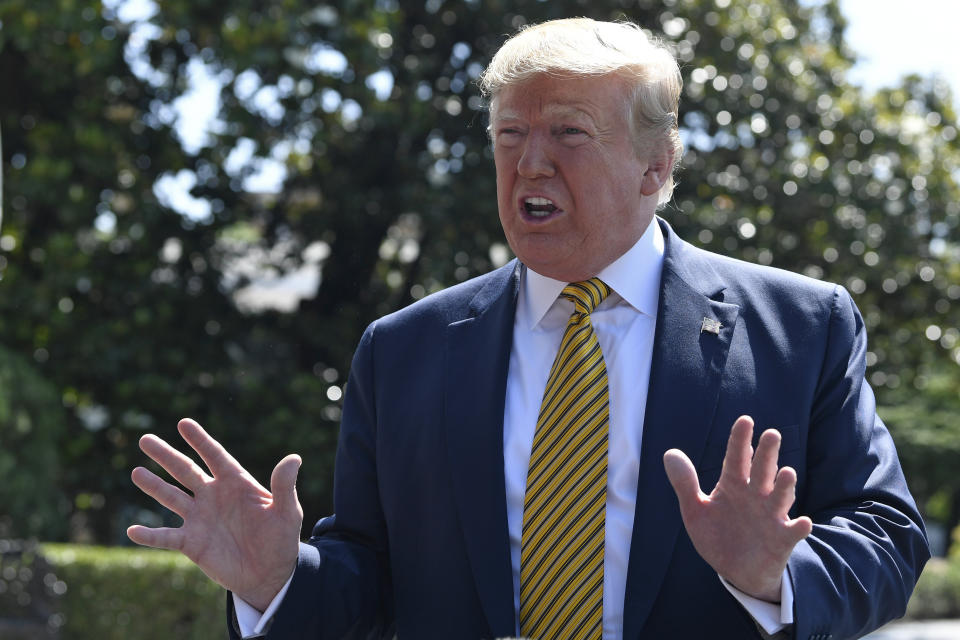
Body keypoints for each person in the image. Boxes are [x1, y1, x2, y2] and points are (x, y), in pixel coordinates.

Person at [127, 18, 929, 640]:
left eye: (569, 133)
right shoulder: (402, 350)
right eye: (511, 135)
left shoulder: (801, 324)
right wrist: (279, 583)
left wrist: (777, 575)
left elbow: (891, 535)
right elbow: (369, 581)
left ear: (657, 166)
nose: (530, 164)